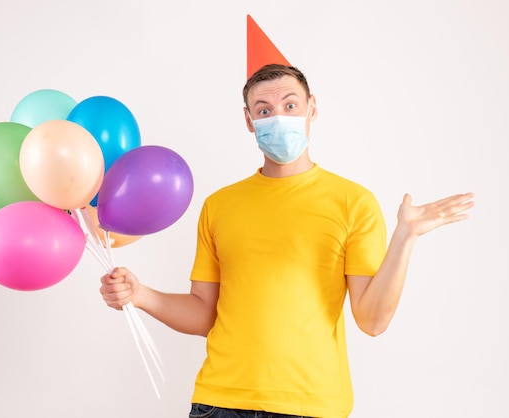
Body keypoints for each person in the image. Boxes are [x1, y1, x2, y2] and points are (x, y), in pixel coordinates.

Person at [100, 64, 474, 418]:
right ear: (248, 120)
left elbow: (372, 320)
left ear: (312, 109)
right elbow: (204, 313)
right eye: (264, 110)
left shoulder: (353, 202)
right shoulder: (220, 205)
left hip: (312, 404)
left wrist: (405, 236)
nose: (278, 117)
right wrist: (140, 295)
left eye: (290, 105)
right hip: (220, 402)